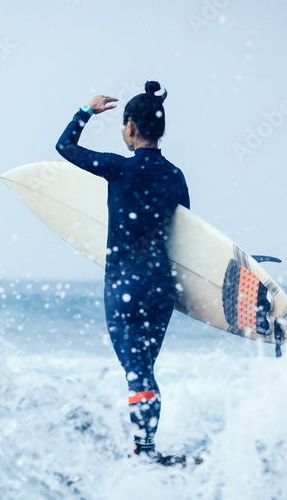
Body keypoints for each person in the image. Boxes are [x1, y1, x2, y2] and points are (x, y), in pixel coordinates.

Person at [55, 81, 189, 464]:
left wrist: (85, 111)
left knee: (137, 370)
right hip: (162, 286)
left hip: (125, 284)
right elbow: (187, 235)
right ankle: (143, 446)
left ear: (130, 127)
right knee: (143, 367)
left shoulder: (119, 168)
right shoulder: (175, 176)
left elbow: (65, 148)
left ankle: (145, 453)